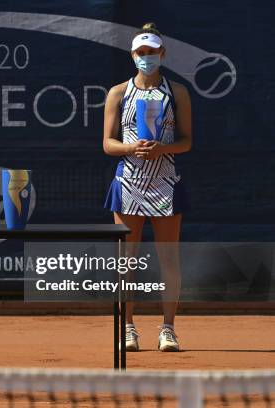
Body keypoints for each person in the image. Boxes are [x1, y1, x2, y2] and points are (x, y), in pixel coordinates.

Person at [103, 23, 192, 352]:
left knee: (169, 260)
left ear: (162, 54)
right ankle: (128, 328)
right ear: (132, 55)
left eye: (151, 52)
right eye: (141, 52)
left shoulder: (178, 93)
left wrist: (161, 148)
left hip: (165, 184)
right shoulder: (117, 93)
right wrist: (132, 149)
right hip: (128, 185)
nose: (146, 57)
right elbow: (108, 144)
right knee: (127, 261)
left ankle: (168, 329)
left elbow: (186, 142)